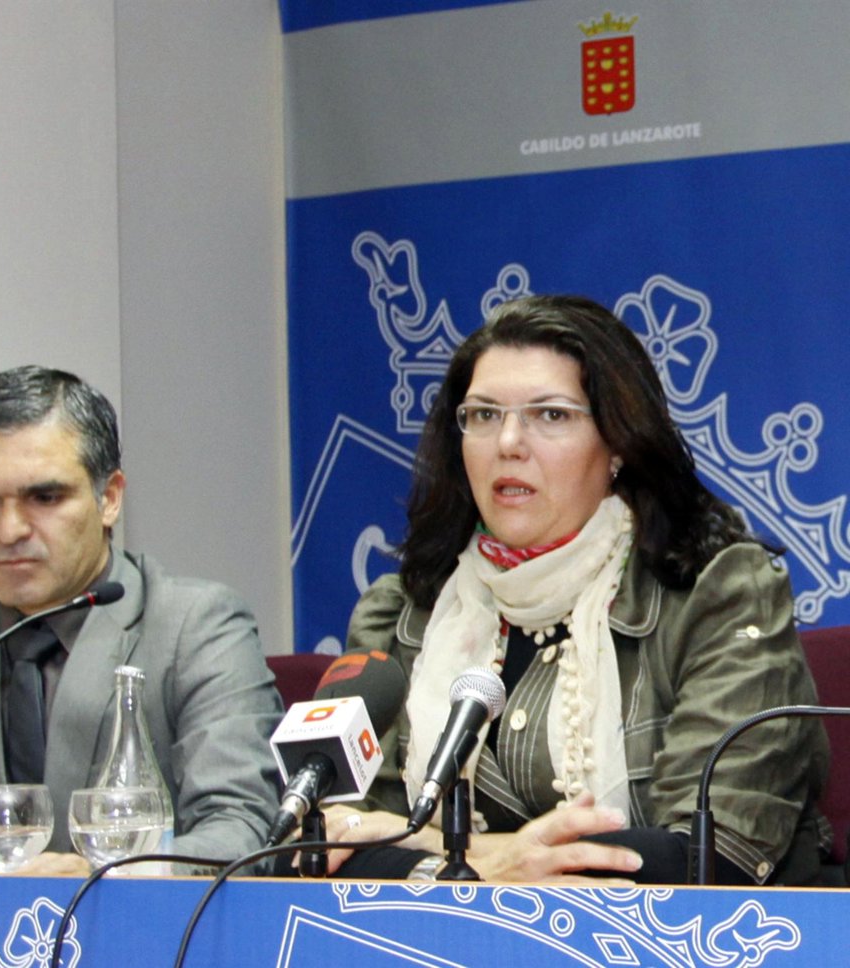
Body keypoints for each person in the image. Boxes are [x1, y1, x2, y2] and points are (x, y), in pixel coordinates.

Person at [324, 294, 829, 885]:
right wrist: (492, 862)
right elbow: (323, 841)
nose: (508, 442)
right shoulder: (403, 614)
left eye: (551, 415)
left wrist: (450, 855)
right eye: (484, 415)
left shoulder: (716, 594)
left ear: (618, 443)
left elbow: (713, 852)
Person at [0, 365, 283, 875]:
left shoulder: (197, 627)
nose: (8, 530)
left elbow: (243, 831)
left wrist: (106, 880)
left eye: (44, 498)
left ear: (109, 498)